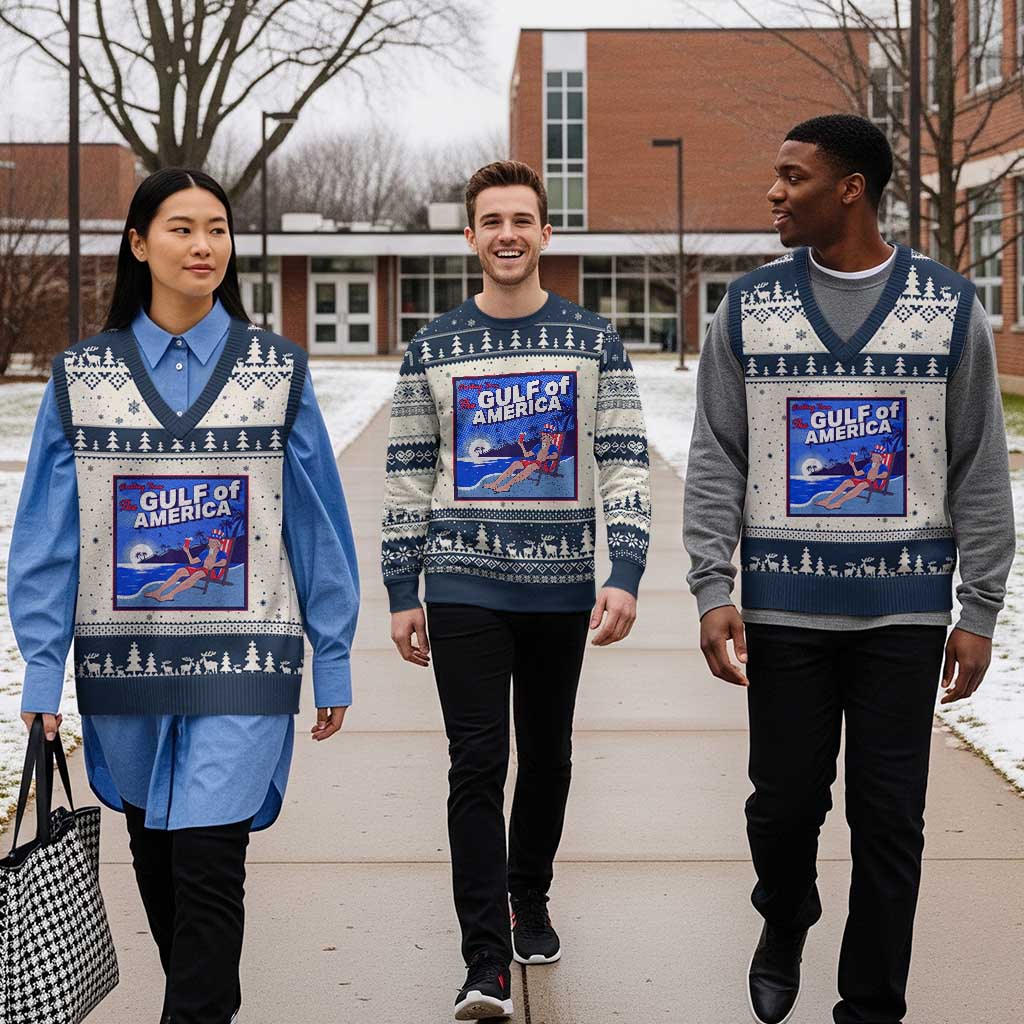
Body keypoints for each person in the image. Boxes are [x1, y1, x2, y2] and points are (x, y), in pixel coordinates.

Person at [684, 114, 1014, 1024]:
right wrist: (712, 585)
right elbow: (716, 455)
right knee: (782, 809)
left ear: (851, 189)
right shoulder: (748, 307)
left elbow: (979, 466)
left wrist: (980, 609)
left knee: (890, 821)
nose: (774, 192)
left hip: (904, 618)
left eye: (793, 176)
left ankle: (870, 1007)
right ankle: (786, 911)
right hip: (785, 612)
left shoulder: (948, 307)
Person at [11, 167, 359, 1024]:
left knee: (209, 865)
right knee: (160, 862)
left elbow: (316, 525)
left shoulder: (277, 372)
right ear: (138, 244)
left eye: (217, 228)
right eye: (181, 228)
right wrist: (43, 673)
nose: (204, 245)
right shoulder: (81, 378)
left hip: (246, 663)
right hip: (123, 668)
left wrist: (333, 656)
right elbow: (48, 539)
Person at [381, 160, 651, 1021]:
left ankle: (527, 894)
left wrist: (626, 570)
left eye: (522, 220)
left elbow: (624, 461)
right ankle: (484, 962)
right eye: (492, 221)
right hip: (462, 582)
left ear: (545, 232)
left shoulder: (593, 340)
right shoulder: (433, 347)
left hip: (561, 586)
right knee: (476, 761)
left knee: (548, 753)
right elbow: (408, 476)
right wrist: (402, 587)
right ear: (470, 236)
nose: (507, 234)